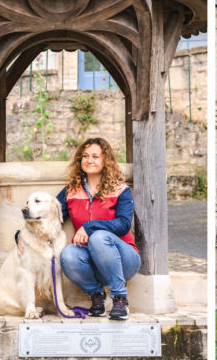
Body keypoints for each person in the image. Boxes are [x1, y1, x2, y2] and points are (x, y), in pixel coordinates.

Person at [56, 137, 139, 321]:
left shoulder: (120, 190)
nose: (89, 160)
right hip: (91, 264)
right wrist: (22, 234)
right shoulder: (71, 191)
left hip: (124, 259)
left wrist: (90, 227)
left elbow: (123, 224)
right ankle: (97, 297)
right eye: (85, 156)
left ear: (105, 160)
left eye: (95, 156)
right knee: (68, 254)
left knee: (99, 237)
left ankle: (120, 299)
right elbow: (51, 217)